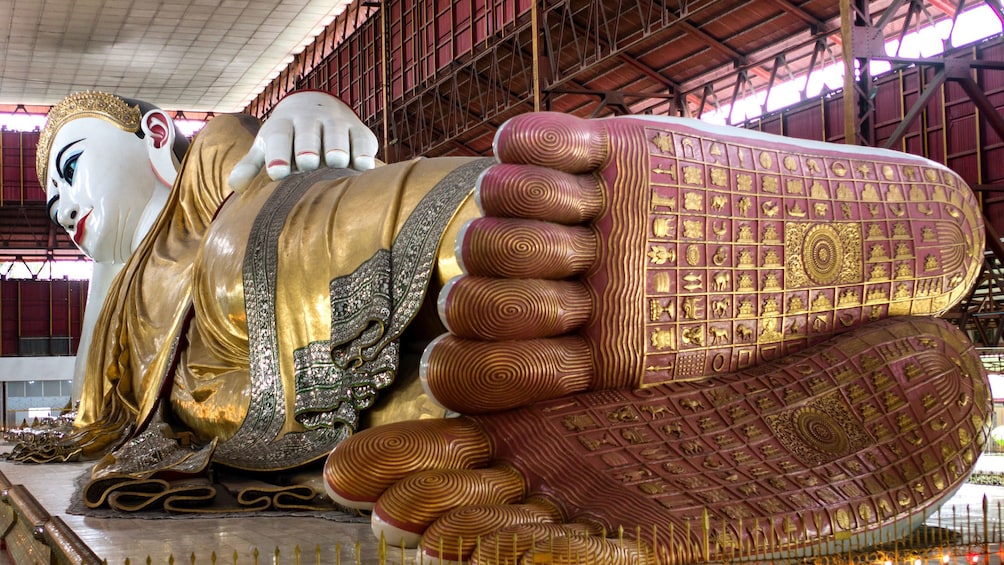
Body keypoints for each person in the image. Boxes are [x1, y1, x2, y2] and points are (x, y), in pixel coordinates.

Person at [33, 92, 988, 560]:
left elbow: (246, 149)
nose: (60, 205)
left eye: (72, 167)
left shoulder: (198, 176)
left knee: (257, 249)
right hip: (248, 412)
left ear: (156, 137)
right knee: (435, 410)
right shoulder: (118, 306)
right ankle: (609, 381)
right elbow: (94, 411)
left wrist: (301, 111)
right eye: (47, 198)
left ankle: (518, 236)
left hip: (264, 253)